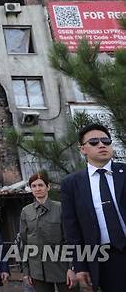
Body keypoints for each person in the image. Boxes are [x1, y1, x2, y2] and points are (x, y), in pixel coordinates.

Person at [60, 123, 126, 292]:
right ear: (83, 149)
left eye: (106, 140)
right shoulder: (71, 184)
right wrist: (80, 267)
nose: (102, 145)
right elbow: (72, 230)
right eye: (94, 142)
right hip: (106, 260)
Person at [20, 172, 76, 292]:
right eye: (34, 186)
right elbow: (24, 243)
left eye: (41, 185)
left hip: (61, 266)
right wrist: (26, 271)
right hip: (37, 270)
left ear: (48, 187)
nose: (37, 189)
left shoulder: (60, 208)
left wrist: (72, 267)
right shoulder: (26, 211)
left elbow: (69, 240)